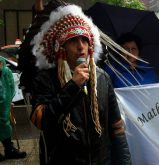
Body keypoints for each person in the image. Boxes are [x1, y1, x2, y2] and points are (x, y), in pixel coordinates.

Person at [29, 4, 131, 165]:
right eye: (73, 40)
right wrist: (72, 86)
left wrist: (125, 162)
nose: (80, 46)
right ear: (61, 48)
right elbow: (41, 121)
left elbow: (117, 128)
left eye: (84, 40)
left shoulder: (102, 78)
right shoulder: (46, 79)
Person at [0, 57, 27, 162]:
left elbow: (10, 87)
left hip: (3, 105)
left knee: (4, 124)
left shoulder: (6, 72)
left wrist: (9, 100)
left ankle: (9, 149)